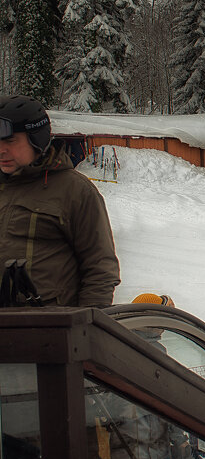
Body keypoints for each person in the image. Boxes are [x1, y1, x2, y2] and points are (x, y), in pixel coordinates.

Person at [0, 95, 120, 307]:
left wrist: (87, 329)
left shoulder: (74, 191)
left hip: (48, 329)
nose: (1, 150)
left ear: (36, 139)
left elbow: (100, 269)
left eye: (10, 141)